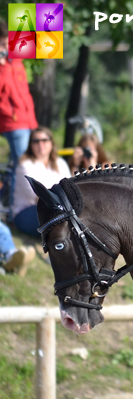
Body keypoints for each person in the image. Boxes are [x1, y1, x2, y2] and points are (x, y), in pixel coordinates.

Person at [0, 20, 38, 219]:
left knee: (19, 165)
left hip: (27, 118)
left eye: (8, 43)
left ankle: (8, 201)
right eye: (3, 45)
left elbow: (46, 37)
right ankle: (17, 210)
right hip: (12, 121)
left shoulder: (17, 57)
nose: (7, 48)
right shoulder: (3, 64)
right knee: (23, 165)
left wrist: (52, 7)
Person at [12, 127, 71, 237]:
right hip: (27, 213)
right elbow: (39, 196)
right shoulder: (25, 165)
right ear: (30, 145)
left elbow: (70, 189)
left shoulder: (60, 163)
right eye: (36, 141)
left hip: (58, 209)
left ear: (51, 143)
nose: (40, 144)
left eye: (44, 140)